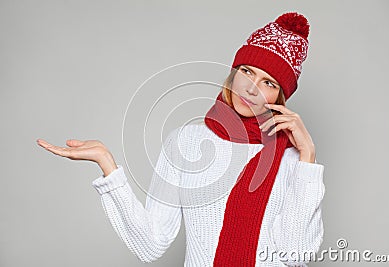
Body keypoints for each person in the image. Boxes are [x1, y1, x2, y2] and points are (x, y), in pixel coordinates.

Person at [37, 11, 325, 267]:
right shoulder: (186, 143)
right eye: (247, 71)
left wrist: (308, 157)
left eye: (268, 83)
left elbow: (295, 255)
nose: (251, 89)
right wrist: (108, 167)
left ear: (280, 97)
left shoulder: (294, 163)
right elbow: (151, 243)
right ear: (233, 73)